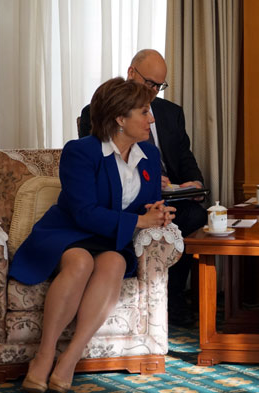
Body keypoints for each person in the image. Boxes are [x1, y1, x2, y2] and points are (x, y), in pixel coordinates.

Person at [10, 78, 176, 393]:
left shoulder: (149, 155)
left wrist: (156, 212)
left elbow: (147, 202)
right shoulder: (81, 151)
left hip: (111, 239)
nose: (152, 119)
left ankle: (70, 357)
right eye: (144, 112)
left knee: (114, 264)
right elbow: (83, 212)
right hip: (69, 232)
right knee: (81, 262)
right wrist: (140, 220)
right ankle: (44, 355)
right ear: (120, 118)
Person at [79, 49, 207, 327]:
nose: (153, 92)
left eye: (159, 86)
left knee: (195, 215)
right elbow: (99, 164)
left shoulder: (171, 113)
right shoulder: (98, 111)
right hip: (123, 200)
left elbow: (184, 156)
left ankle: (173, 296)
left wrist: (195, 183)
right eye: (149, 83)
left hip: (167, 195)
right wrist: (144, 177)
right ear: (131, 72)